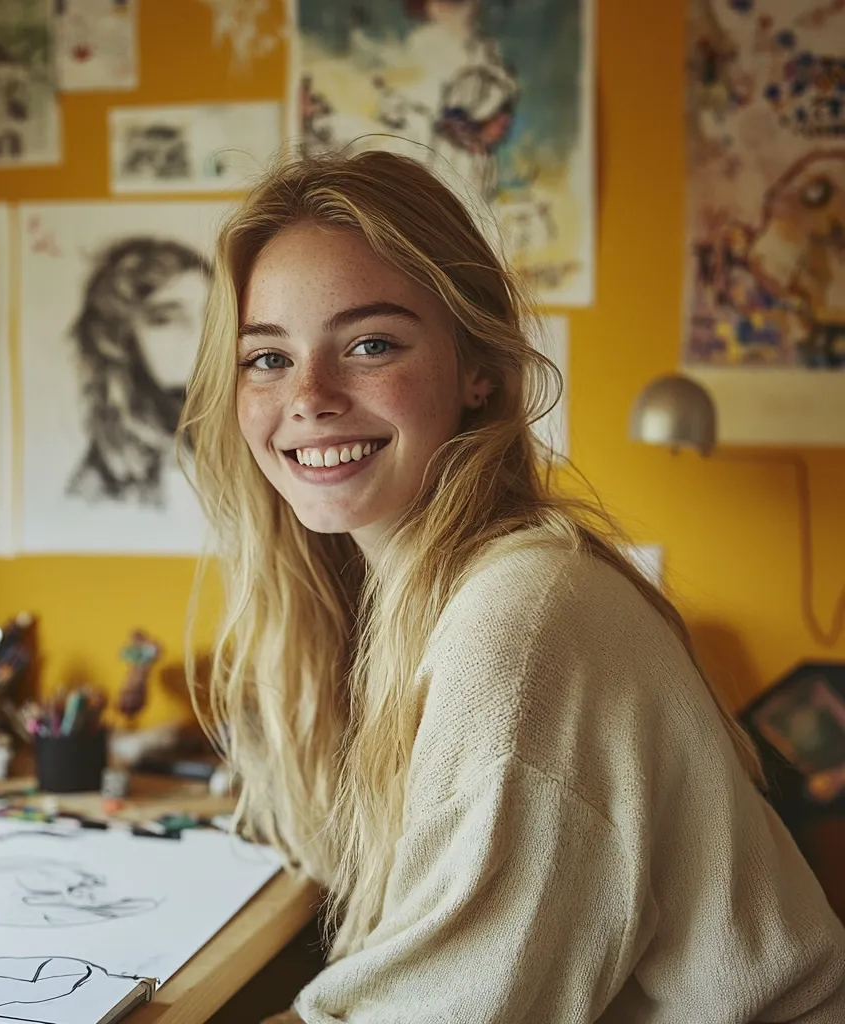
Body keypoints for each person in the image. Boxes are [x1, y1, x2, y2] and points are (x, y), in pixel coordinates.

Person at [177, 150, 845, 1023]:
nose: (308, 397)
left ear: (476, 367)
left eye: (370, 344)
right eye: (266, 357)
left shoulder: (523, 620)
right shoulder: (402, 599)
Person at [68, 236, 209, 505]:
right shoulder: (103, 487)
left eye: (213, 316)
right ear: (119, 338)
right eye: (166, 319)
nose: (202, 335)